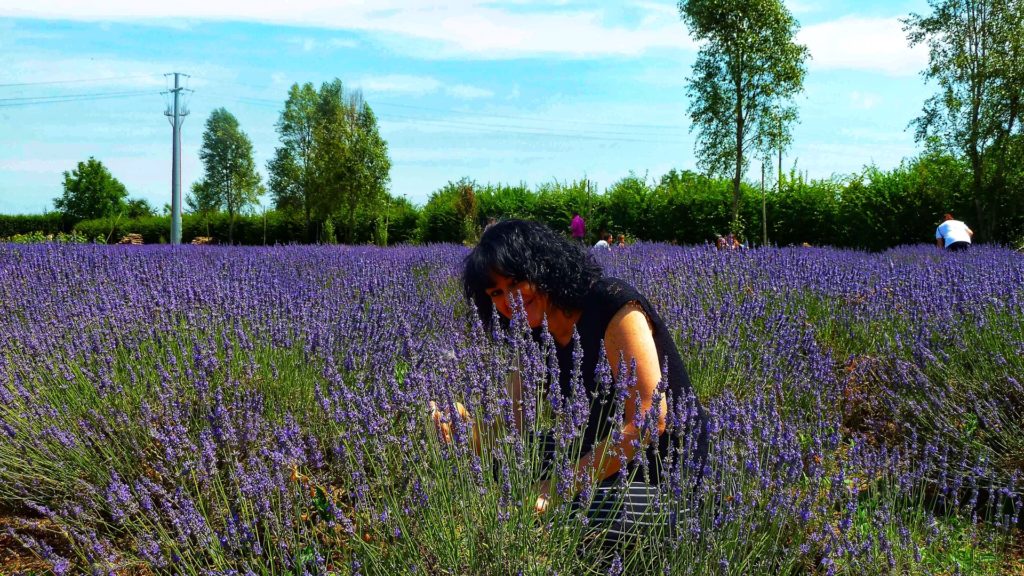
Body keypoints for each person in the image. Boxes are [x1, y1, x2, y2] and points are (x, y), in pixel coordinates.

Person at [457, 219, 709, 541]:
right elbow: (511, 424)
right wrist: (464, 431)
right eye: (496, 292)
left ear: (542, 267)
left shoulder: (611, 303)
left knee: (576, 520)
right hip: (604, 461)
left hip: (668, 472)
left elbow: (650, 419)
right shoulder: (533, 332)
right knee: (510, 463)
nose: (510, 300)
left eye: (517, 282)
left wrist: (560, 486)